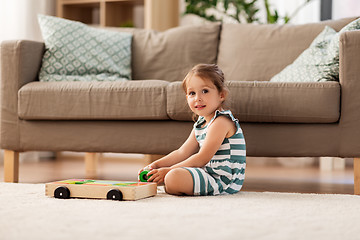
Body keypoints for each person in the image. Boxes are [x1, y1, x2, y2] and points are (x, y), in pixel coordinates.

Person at [139, 63, 246, 196]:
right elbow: (181, 152)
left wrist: (168, 170)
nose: (198, 98)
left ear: (221, 95)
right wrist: (156, 165)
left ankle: (178, 182)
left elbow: (202, 158)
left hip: (223, 180)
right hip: (207, 173)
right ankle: (178, 182)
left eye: (205, 91)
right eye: (192, 93)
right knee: (172, 177)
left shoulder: (221, 121)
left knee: (172, 176)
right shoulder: (200, 124)